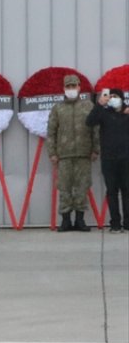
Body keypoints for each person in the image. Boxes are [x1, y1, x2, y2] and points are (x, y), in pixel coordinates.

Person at [48, 74, 97, 232]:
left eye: (73, 86)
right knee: (64, 188)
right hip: (64, 155)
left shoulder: (88, 106)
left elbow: (95, 129)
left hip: (84, 154)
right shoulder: (58, 108)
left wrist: (96, 149)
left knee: (82, 187)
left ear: (79, 87)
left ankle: (80, 220)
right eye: (68, 87)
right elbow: (51, 132)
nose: (71, 89)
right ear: (64, 88)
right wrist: (52, 153)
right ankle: (66, 221)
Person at [87, 87, 129, 232]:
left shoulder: (127, 113)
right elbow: (89, 121)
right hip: (109, 159)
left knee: (126, 191)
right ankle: (115, 223)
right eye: (110, 96)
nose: (112, 98)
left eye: (115, 96)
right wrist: (99, 104)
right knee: (112, 191)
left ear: (122, 98)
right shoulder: (104, 113)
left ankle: (127, 223)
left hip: (126, 158)